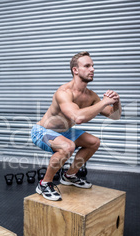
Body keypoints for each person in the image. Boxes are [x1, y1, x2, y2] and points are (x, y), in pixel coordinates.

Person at [31, 51, 121, 201]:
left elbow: (115, 116)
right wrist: (104, 102)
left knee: (94, 142)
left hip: (64, 132)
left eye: (93, 66)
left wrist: (116, 103)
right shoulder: (64, 92)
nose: (92, 69)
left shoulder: (91, 96)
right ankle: (44, 183)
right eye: (87, 66)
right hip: (42, 131)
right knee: (68, 146)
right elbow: (77, 117)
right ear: (75, 70)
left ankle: (69, 176)